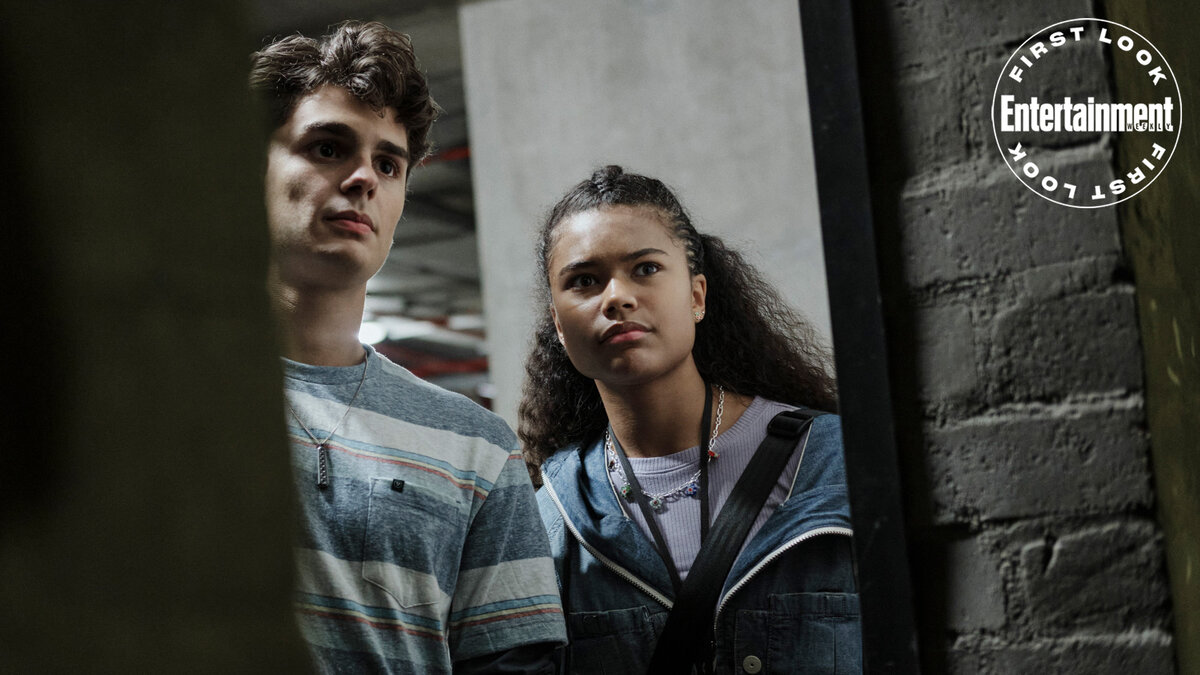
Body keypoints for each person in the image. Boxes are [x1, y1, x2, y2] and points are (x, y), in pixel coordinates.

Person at [250, 21, 565, 673]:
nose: (364, 176)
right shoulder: (155, 400)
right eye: (328, 147)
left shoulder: (478, 447)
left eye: (388, 163)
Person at [520, 165, 861, 674]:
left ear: (697, 296)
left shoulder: (835, 464)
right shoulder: (555, 517)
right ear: (559, 324)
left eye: (645, 269)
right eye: (584, 281)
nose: (617, 297)